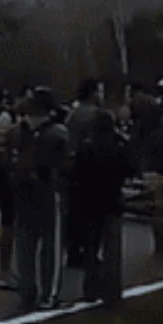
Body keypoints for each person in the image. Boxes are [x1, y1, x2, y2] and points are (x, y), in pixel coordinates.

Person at [13, 87, 69, 312]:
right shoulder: (58, 133)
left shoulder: (19, 131)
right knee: (51, 246)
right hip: (48, 191)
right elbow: (65, 166)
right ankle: (49, 295)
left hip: (23, 191)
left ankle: (27, 291)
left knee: (25, 244)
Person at [74, 110, 134, 305]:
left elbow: (77, 174)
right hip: (112, 201)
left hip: (89, 202)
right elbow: (129, 169)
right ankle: (112, 291)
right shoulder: (118, 147)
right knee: (112, 250)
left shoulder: (86, 148)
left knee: (90, 249)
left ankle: (90, 288)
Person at [132, 83, 163, 263]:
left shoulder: (141, 133)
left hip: (150, 172)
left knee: (157, 210)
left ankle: (160, 245)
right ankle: (161, 247)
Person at [64, 79, 103, 267]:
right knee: (94, 215)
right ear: (93, 93)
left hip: (72, 170)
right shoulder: (96, 116)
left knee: (75, 214)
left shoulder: (72, 115)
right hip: (92, 170)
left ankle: (73, 251)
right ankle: (90, 252)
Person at [0, 90, 20, 290]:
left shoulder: (14, 120)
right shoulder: (6, 120)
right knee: (10, 225)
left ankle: (8, 270)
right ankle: (5, 271)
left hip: (10, 177)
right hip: (8, 178)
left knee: (12, 225)